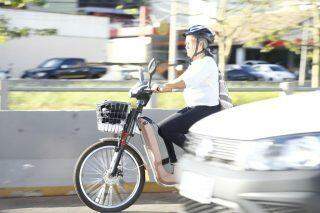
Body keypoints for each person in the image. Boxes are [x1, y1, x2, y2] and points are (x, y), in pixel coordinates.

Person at [151, 25, 221, 166]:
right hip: (195, 108)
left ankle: (201, 156)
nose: (186, 47)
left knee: (167, 129)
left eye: (189, 43)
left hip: (205, 110)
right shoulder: (196, 64)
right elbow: (180, 81)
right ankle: (175, 162)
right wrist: (162, 86)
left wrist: (167, 87)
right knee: (163, 128)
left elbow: (185, 82)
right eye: (186, 43)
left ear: (201, 44)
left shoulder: (207, 63)